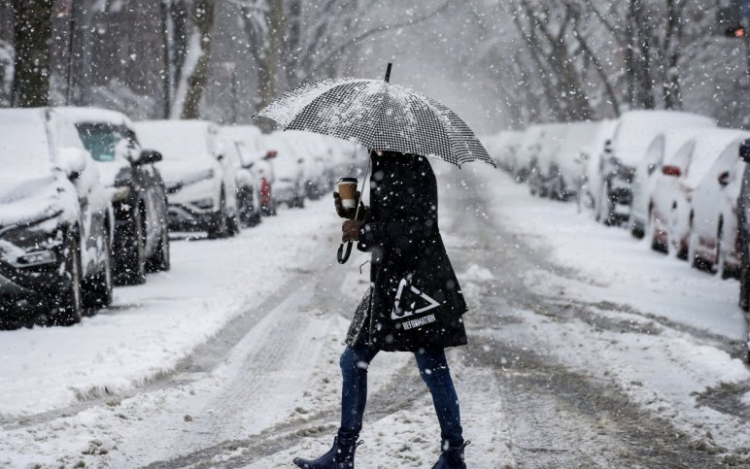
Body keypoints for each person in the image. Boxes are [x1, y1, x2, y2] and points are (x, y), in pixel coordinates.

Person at [293, 151, 470, 469]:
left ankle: (454, 454)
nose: (366, 142)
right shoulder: (385, 163)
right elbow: (391, 220)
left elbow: (416, 229)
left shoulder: (412, 166)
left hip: (416, 287)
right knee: (353, 360)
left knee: (433, 368)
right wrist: (358, 213)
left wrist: (365, 232)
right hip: (389, 284)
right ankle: (344, 453)